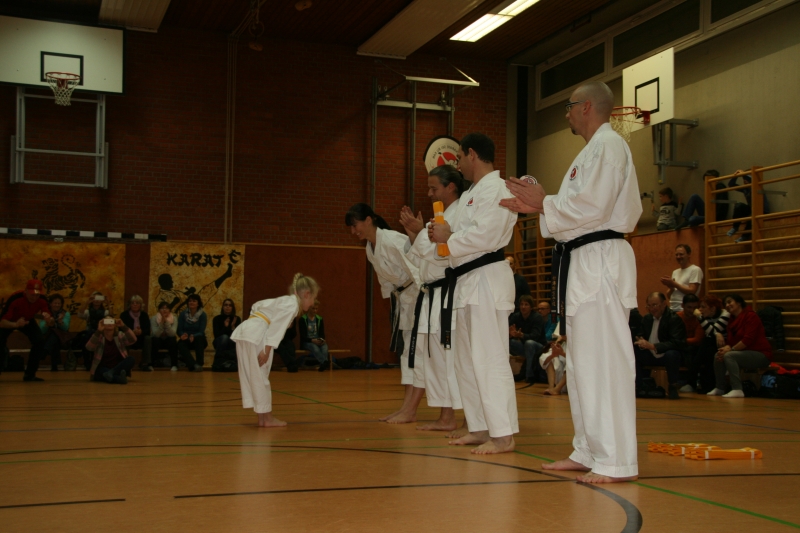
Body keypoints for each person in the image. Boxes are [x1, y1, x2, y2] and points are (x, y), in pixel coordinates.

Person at [501, 81, 641, 482]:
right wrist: (541, 205)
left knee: (605, 363)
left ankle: (616, 460)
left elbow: (593, 207)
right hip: (582, 260)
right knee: (581, 365)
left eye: (568, 106)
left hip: (601, 259)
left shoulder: (609, 146)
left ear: (587, 107)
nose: (565, 113)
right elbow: (574, 211)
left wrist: (544, 202)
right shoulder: (589, 152)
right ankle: (588, 449)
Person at [429, 132, 519, 455]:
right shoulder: (471, 194)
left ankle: (503, 435)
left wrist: (449, 236)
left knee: (489, 359)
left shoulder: (497, 189)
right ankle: (479, 426)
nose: (457, 165)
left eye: (458, 158)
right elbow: (456, 236)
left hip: (486, 279)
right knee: (466, 361)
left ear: (472, 154)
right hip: (466, 281)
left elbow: (486, 235)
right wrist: (441, 235)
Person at [400, 163, 466, 432]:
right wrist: (416, 234)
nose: (429, 193)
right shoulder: (437, 218)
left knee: (448, 359)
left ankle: (457, 417)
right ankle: (445, 416)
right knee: (434, 359)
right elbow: (423, 257)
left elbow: (444, 254)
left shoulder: (459, 214)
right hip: (431, 296)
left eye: (433, 188)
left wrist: (419, 234)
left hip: (447, 294)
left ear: (451, 187)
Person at [346, 203, 425, 424]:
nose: (353, 231)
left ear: (368, 220)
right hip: (403, 300)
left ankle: (411, 410)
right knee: (406, 355)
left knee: (416, 354)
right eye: (351, 227)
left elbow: (418, 268)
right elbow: (386, 282)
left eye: (355, 225)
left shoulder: (392, 240)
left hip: (419, 297)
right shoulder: (370, 248)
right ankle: (406, 408)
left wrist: (424, 302)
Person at [231, 273, 319, 427]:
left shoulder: (283, 301)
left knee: (255, 377)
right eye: (313, 298)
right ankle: (268, 419)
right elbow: (276, 328)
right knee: (261, 377)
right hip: (258, 335)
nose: (312, 303)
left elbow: (256, 307)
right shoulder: (292, 304)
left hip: (246, 331)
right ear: (306, 294)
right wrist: (267, 349)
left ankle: (262, 418)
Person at [707, 294, 772, 398]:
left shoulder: (751, 316)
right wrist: (726, 347)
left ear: (739, 303)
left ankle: (737, 389)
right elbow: (731, 340)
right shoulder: (732, 320)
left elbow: (747, 340)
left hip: (760, 354)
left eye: (729, 302)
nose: (727, 305)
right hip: (742, 353)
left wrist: (731, 349)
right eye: (725, 304)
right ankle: (720, 387)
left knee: (729, 356)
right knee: (718, 355)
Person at [634, 292, 687, 400]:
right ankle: (640, 385)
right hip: (650, 355)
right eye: (649, 306)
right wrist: (640, 340)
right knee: (634, 352)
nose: (651, 308)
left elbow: (677, 342)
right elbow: (640, 334)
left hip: (666, 355)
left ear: (664, 304)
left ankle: (672, 386)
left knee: (672, 354)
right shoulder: (647, 319)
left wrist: (654, 346)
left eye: (654, 305)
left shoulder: (674, 319)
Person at [0, 280, 50, 381]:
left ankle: (30, 374)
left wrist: (49, 320)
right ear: (26, 291)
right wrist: (16, 324)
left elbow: (51, 320)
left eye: (37, 295)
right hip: (10, 321)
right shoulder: (15, 298)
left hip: (27, 320)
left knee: (39, 341)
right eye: (32, 294)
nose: (34, 298)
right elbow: (2, 322)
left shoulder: (43, 300)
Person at [85, 317, 137, 384]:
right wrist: (98, 331)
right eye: (107, 321)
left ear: (115, 324)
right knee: (101, 372)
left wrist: (123, 326)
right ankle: (118, 378)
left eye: (111, 321)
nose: (109, 324)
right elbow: (89, 347)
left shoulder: (119, 335)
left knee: (131, 359)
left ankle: (111, 373)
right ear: (103, 323)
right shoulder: (99, 336)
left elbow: (133, 340)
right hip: (103, 367)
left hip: (118, 367)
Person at [508, 295, 544, 383]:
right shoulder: (516, 316)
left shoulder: (537, 317)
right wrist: (510, 335)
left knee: (529, 343)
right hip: (524, 347)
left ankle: (529, 375)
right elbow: (509, 331)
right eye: (521, 304)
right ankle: (504, 372)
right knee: (507, 342)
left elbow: (535, 336)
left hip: (539, 347)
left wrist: (521, 335)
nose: (523, 307)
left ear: (531, 307)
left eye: (526, 304)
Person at [661, 244, 703, 312]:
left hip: (685, 310)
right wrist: (671, 288)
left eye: (681, 254)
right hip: (672, 308)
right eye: (676, 255)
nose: (678, 257)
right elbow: (669, 296)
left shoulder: (695, 270)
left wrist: (674, 284)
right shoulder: (675, 272)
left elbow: (692, 291)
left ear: (689, 254)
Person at [77, 291, 112, 370]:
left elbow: (111, 318)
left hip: (101, 333)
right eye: (95, 298)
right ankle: (87, 363)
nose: (97, 300)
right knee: (86, 338)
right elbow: (80, 315)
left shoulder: (105, 312)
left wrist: (108, 303)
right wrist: (87, 302)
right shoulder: (88, 312)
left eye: (99, 298)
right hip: (89, 332)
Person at [299, 300, 338, 371]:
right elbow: (303, 336)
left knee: (324, 347)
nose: (315, 311)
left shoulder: (319, 319)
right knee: (315, 348)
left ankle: (323, 365)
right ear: (309, 308)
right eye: (313, 309)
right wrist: (312, 340)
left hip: (317, 340)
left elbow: (322, 334)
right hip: (308, 342)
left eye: (316, 309)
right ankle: (325, 362)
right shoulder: (303, 319)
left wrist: (322, 340)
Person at [677, 294, 705, 392]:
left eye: (695, 307)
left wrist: (681, 341)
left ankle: (691, 382)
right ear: (683, 306)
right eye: (689, 307)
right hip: (679, 348)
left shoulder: (699, 319)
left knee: (695, 351)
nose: (692, 310)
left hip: (693, 348)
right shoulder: (676, 317)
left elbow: (697, 339)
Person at [39, 293, 71, 371]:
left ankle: (44, 352)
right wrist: (47, 323)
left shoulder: (65, 314)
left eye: (59, 303)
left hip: (63, 339)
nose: (57, 305)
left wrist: (60, 321)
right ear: (50, 304)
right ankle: (54, 366)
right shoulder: (45, 314)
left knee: (54, 335)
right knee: (54, 338)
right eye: (55, 303)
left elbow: (65, 328)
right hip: (47, 338)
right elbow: (41, 330)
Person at [120, 295, 152, 371]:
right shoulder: (124, 315)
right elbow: (120, 330)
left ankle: (145, 363)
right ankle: (124, 363)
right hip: (129, 339)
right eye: (132, 303)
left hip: (141, 339)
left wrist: (141, 332)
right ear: (129, 305)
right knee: (122, 338)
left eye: (137, 303)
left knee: (148, 338)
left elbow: (148, 330)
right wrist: (131, 332)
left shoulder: (144, 315)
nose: (135, 304)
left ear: (140, 305)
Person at [177, 294, 207, 372]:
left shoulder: (202, 315)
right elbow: (179, 330)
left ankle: (199, 364)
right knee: (180, 344)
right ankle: (193, 365)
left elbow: (201, 331)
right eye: (190, 301)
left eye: (194, 301)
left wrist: (194, 335)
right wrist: (182, 335)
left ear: (198, 303)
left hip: (198, 338)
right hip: (186, 338)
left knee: (199, 339)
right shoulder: (182, 314)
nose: (191, 302)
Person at [150, 302, 179, 369]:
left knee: (172, 339)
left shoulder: (174, 318)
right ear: (159, 310)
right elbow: (156, 334)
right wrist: (162, 323)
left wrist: (166, 322)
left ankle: (174, 365)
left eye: (167, 308)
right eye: (162, 308)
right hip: (158, 340)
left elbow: (172, 334)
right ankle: (151, 364)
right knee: (155, 340)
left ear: (170, 310)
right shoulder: (154, 318)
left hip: (168, 340)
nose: (164, 310)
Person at [212, 298, 240, 366]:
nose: (228, 307)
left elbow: (237, 336)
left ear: (232, 308)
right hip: (219, 341)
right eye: (226, 305)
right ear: (223, 307)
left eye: (230, 305)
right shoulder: (217, 319)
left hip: (232, 341)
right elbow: (217, 335)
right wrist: (226, 327)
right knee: (224, 337)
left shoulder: (237, 319)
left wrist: (232, 327)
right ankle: (218, 362)